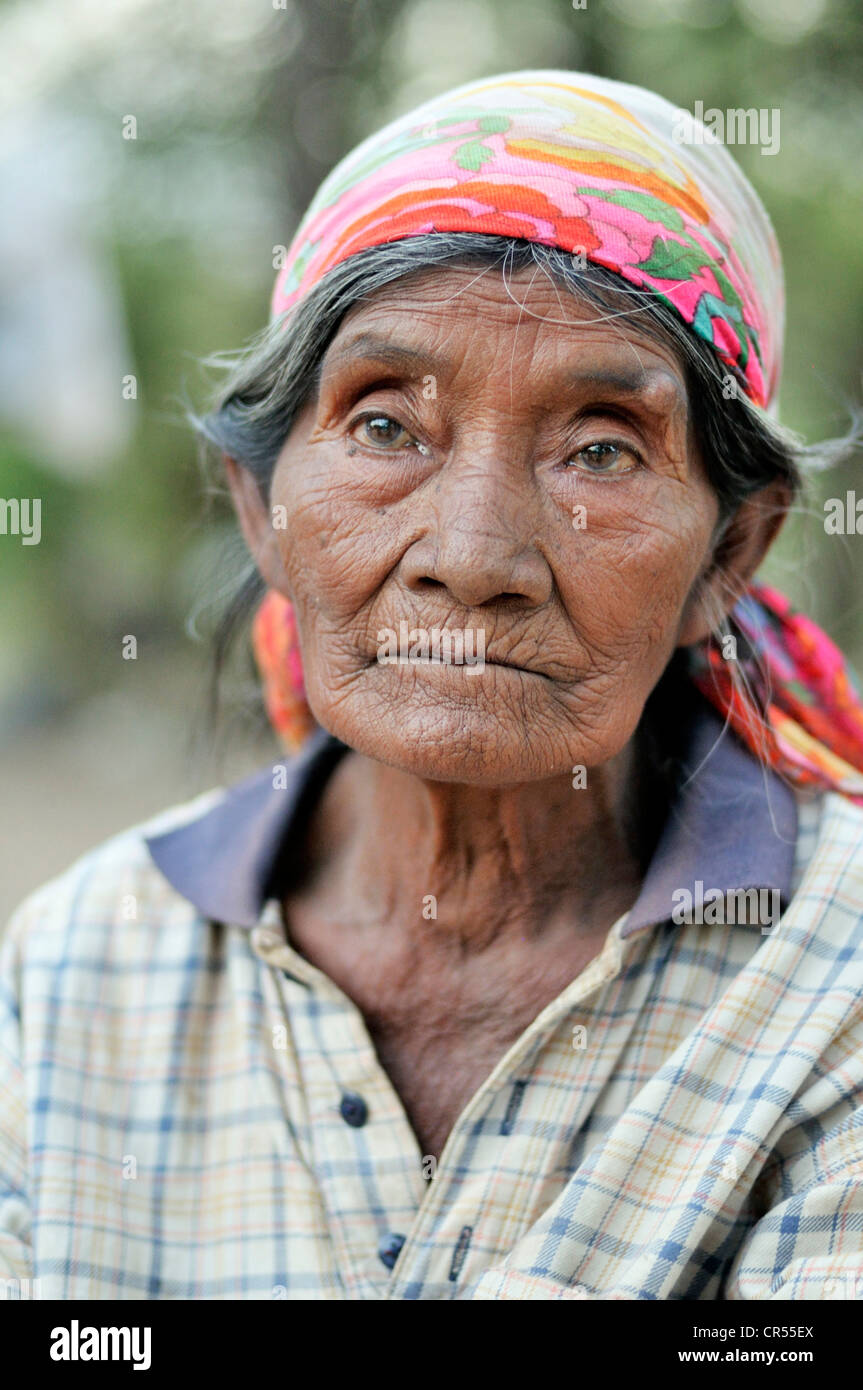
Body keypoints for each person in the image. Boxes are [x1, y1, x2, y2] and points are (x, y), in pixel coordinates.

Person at [3, 70, 863, 1302]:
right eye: (383, 427)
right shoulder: (79, 968)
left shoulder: (830, 987)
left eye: (602, 448)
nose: (471, 558)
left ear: (727, 553)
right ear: (262, 509)